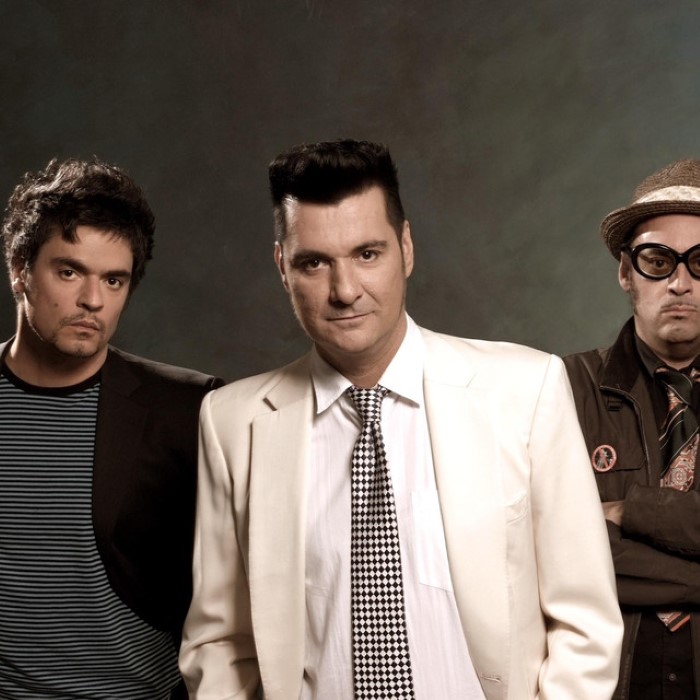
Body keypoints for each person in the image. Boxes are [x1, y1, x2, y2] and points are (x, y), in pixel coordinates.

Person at [180, 139, 623, 699]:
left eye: (367, 254)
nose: (345, 291)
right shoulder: (232, 423)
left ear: (406, 248)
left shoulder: (526, 389)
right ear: (282, 269)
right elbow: (219, 640)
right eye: (314, 263)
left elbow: (586, 623)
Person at [0, 157, 223, 699]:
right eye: (69, 271)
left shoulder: (191, 408)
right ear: (20, 269)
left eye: (114, 280)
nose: (93, 301)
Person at [564, 159, 700, 699]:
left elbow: (591, 543)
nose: (680, 283)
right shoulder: (560, 389)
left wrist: (629, 511)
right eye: (658, 261)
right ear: (626, 272)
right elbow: (548, 548)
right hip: (605, 684)